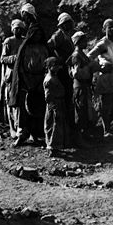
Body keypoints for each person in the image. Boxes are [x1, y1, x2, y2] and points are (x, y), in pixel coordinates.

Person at [11, 5, 50, 146]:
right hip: (27, 81)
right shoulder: (26, 47)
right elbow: (21, 66)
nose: (37, 36)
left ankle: (37, 134)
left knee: (37, 107)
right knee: (23, 109)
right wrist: (27, 81)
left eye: (26, 16)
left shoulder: (43, 48)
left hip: (39, 81)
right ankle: (22, 134)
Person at [88, 18, 113, 137]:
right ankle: (106, 130)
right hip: (107, 77)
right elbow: (89, 57)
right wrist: (100, 67)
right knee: (107, 103)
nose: (112, 29)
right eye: (109, 27)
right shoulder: (102, 44)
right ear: (104, 29)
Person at [48, 12, 76, 140]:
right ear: (62, 24)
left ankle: (69, 130)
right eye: (66, 23)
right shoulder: (58, 35)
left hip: (67, 69)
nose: (69, 25)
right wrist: (57, 60)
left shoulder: (68, 35)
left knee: (69, 98)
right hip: (62, 70)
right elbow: (49, 46)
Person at [68, 31, 99, 141]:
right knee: (80, 111)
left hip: (84, 85)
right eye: (84, 41)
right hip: (80, 86)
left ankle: (85, 136)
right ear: (78, 42)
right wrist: (89, 67)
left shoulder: (82, 54)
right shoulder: (76, 55)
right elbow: (76, 73)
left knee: (86, 111)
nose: (86, 42)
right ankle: (79, 138)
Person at [0, 19, 27, 139]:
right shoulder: (8, 41)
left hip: (23, 74)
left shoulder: (25, 40)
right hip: (11, 76)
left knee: (23, 101)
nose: (18, 31)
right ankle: (13, 128)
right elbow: (3, 58)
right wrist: (15, 58)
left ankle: (23, 127)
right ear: (12, 29)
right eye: (16, 28)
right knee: (11, 101)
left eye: (20, 29)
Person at [43, 57, 67, 157]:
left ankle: (56, 146)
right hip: (54, 105)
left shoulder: (54, 77)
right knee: (52, 125)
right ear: (49, 67)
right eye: (55, 66)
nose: (57, 68)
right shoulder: (49, 80)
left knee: (57, 126)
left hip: (58, 103)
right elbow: (48, 96)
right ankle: (51, 147)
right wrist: (53, 107)